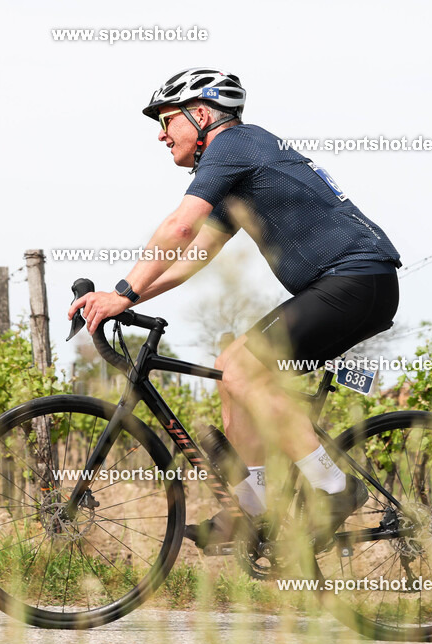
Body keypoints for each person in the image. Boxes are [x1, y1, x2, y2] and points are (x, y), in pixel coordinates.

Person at [67, 67, 401, 549]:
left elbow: (181, 227)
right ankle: (253, 512)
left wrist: (121, 290)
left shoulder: (234, 145)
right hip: (343, 285)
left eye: (167, 121)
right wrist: (130, 298)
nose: (162, 136)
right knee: (231, 374)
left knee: (241, 369)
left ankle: (335, 488)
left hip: (357, 280)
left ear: (200, 114)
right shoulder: (240, 168)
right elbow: (192, 258)